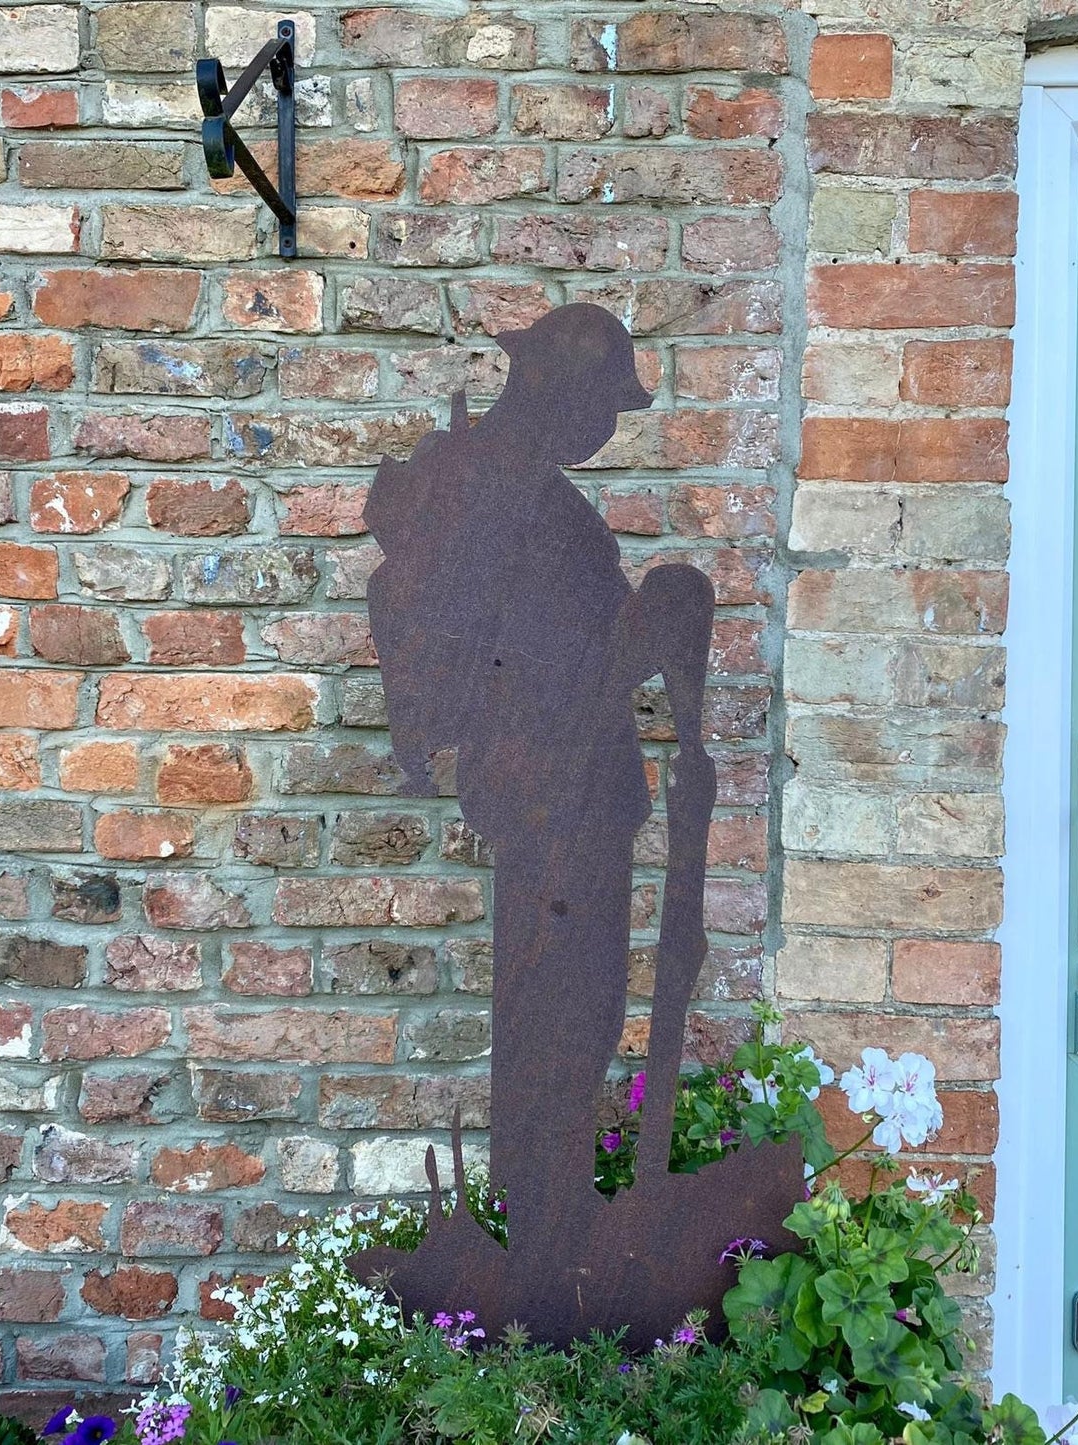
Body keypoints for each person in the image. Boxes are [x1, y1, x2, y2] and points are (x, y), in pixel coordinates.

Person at [363, 303, 717, 1270]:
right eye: (603, 404)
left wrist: (647, 635)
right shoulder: (503, 496)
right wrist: (647, 633)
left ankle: (546, 1243)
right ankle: (543, 1254)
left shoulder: (532, 496)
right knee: (559, 1025)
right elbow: (536, 659)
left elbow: (575, 644)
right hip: (552, 800)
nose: (606, 427)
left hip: (569, 796)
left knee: (567, 1022)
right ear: (561, 395)